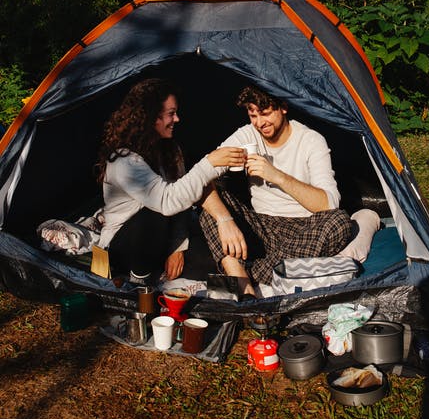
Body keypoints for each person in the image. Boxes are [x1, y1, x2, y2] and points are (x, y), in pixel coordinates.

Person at [199, 85, 353, 296]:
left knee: (340, 222)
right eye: (253, 115)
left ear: (283, 108)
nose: (260, 123)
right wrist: (225, 222)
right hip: (261, 226)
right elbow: (201, 175)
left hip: (304, 229)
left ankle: (247, 274)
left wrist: (276, 175)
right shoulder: (247, 136)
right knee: (212, 205)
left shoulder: (311, 140)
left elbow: (328, 204)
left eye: (265, 113)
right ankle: (245, 287)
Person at [96, 78, 246, 283]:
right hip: (125, 246)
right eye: (170, 113)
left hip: (162, 241)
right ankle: (138, 285)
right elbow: (167, 202)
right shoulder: (124, 161)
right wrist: (209, 164)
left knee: (209, 262)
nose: (177, 119)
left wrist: (178, 247)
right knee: (153, 213)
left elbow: (182, 206)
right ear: (150, 117)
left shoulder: (170, 151)